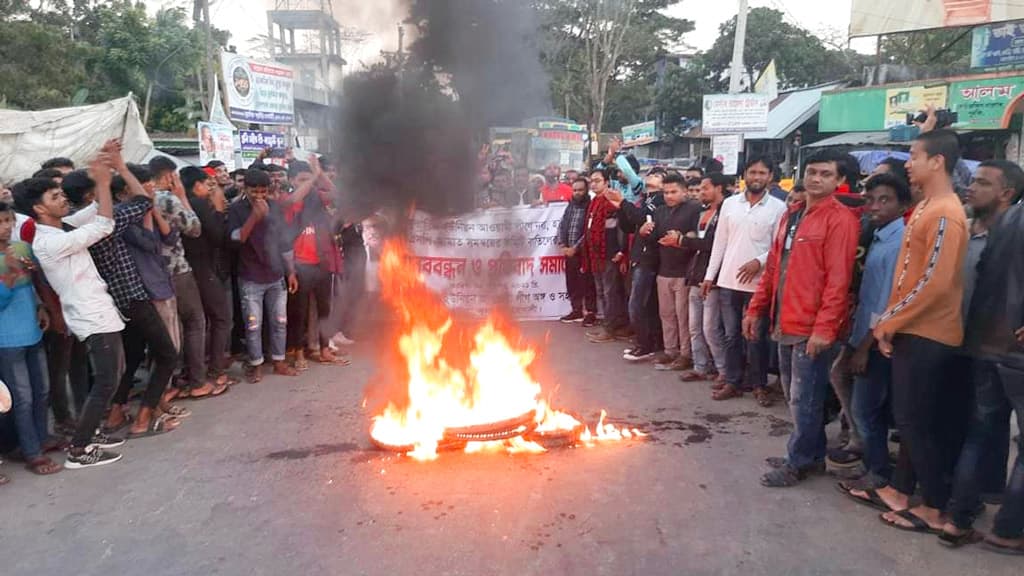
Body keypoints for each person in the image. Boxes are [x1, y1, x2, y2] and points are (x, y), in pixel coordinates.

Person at [872, 129, 970, 534]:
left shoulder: (946, 212)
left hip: (930, 333)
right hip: (913, 328)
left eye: (914, 155)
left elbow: (935, 282)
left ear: (937, 162)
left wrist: (889, 321)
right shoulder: (929, 205)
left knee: (915, 423)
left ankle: (934, 505)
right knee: (909, 419)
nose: (907, 163)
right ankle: (901, 490)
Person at [748, 148, 860, 487]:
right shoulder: (791, 215)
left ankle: (800, 461)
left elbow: (838, 281)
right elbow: (773, 268)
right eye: (812, 172)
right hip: (784, 320)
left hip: (812, 328)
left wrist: (824, 329)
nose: (816, 179)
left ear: (840, 180)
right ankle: (808, 452)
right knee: (795, 396)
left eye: (826, 174)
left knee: (804, 398)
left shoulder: (840, 220)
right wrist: (756, 308)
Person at [64, 149, 182, 440]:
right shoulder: (108, 221)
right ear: (95, 195)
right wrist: (119, 167)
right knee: (167, 354)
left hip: (115, 300)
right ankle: (143, 418)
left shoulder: (70, 227)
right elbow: (144, 202)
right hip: (132, 297)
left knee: (131, 357)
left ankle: (117, 413)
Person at [939, 160, 1024, 551]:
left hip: (987, 345)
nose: (972, 188)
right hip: (1013, 351)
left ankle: (958, 519)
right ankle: (1008, 529)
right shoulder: (1004, 221)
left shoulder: (1003, 224)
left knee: (981, 432)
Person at [26, 149, 126, 469]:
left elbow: (97, 210)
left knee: (112, 374)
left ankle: (90, 433)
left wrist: (103, 178)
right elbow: (103, 225)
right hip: (89, 314)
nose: (63, 198)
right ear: (39, 208)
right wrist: (103, 183)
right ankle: (79, 450)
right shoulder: (49, 242)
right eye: (55, 196)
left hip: (98, 309)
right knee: (107, 380)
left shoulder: (61, 227)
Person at [834, 174, 910, 498]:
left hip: (878, 338)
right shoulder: (879, 237)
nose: (874, 206)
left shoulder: (898, 243)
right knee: (841, 378)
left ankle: (878, 472)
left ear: (903, 205)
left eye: (885, 200)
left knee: (867, 408)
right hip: (864, 330)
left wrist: (865, 347)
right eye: (870, 199)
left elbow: (888, 303)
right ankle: (870, 460)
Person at [701, 155, 788, 405]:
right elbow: (720, 243)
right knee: (731, 335)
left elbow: (777, 247)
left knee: (756, 337)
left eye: (762, 173)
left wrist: (758, 262)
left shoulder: (778, 208)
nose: (757, 177)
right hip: (728, 281)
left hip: (758, 285)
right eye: (752, 172)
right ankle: (732, 381)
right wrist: (710, 276)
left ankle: (759, 384)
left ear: (770, 177)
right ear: (744, 175)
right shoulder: (730, 204)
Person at [150, 157, 224, 399]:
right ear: (169, 176)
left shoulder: (140, 199)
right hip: (177, 270)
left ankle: (173, 382)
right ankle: (198, 381)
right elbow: (194, 228)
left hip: (152, 273)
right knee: (194, 323)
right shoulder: (167, 199)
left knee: (171, 328)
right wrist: (182, 196)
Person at [0, 200, 60, 475]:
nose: (5, 228)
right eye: (0, 223)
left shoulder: (22, 248)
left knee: (42, 390)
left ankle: (41, 437)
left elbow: (33, 286)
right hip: (7, 338)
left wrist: (41, 307)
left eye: (8, 221)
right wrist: (10, 275)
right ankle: (31, 451)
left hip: (32, 330)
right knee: (22, 397)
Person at [228, 168, 300, 383]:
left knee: (280, 321)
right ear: (245, 188)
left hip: (276, 275)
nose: (259, 195)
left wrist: (292, 272)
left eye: (263, 191)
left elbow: (284, 242)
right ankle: (256, 363)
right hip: (250, 277)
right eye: (254, 191)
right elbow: (236, 239)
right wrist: (254, 217)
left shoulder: (275, 207)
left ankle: (278, 361)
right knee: (253, 324)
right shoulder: (237, 209)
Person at [281, 159, 347, 368]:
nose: (306, 183)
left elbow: (338, 195)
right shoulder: (288, 199)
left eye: (308, 179)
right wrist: (312, 179)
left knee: (324, 310)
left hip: (321, 262)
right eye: (301, 179)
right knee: (298, 312)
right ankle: (299, 353)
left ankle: (324, 349)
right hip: (300, 264)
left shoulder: (317, 198)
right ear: (291, 180)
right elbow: (293, 200)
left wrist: (320, 175)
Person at [181, 167, 236, 387]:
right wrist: (220, 211)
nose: (210, 188)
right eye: (207, 184)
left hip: (190, 269)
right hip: (203, 269)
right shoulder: (199, 204)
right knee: (221, 318)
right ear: (197, 186)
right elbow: (217, 236)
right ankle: (215, 370)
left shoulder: (182, 204)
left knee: (197, 323)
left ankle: (195, 369)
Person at [642, 172, 701, 370]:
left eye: (674, 191)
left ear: (685, 191)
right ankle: (670, 350)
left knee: (683, 316)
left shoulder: (694, 209)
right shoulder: (660, 211)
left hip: (684, 272)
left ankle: (686, 354)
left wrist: (683, 238)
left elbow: (697, 237)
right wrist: (644, 231)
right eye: (666, 192)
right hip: (664, 270)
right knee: (666, 314)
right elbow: (654, 239)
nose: (669, 196)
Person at [678, 172, 731, 382]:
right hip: (696, 274)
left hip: (714, 279)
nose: (700, 193)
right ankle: (701, 367)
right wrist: (687, 239)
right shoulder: (702, 213)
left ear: (719, 188)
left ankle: (724, 371)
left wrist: (684, 240)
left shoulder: (727, 212)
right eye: (699, 189)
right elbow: (698, 242)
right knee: (694, 327)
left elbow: (715, 245)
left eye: (705, 188)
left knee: (711, 328)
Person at [611, 172, 667, 361]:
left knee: (637, 304)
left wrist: (623, 203)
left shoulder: (659, 199)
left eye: (656, 175)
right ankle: (647, 342)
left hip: (648, 258)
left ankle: (644, 345)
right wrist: (620, 208)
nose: (650, 177)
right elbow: (630, 226)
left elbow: (642, 218)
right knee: (644, 304)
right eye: (649, 174)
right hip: (638, 256)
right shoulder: (644, 199)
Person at [582, 168, 630, 343]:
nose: (594, 184)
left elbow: (620, 228)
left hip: (609, 255)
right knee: (602, 292)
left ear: (606, 182)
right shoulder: (594, 202)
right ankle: (608, 325)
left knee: (610, 293)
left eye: (597, 180)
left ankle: (611, 328)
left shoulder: (611, 201)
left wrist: (621, 250)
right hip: (595, 256)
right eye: (592, 181)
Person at [556, 176, 597, 326]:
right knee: (572, 281)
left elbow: (589, 230)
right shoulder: (570, 206)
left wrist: (576, 247)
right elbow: (562, 225)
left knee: (587, 283)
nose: (577, 193)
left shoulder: (590, 206)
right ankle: (576, 309)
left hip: (584, 253)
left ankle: (591, 312)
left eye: (580, 190)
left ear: (586, 190)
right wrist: (562, 245)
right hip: (569, 252)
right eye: (575, 190)